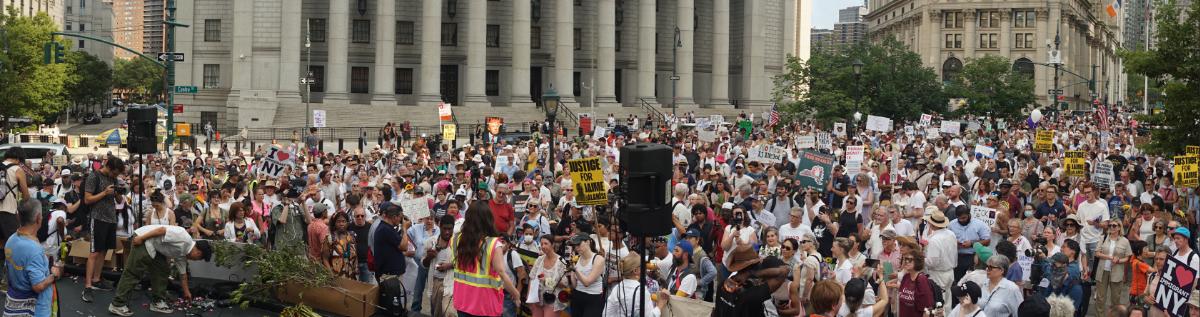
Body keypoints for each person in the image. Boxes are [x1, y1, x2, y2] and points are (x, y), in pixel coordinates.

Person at [107, 225, 213, 316]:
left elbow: (183, 274)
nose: (195, 260)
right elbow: (161, 230)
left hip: (156, 247)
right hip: (144, 238)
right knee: (134, 272)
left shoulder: (182, 254)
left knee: (162, 271)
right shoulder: (183, 236)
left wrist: (186, 292)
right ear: (198, 253)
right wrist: (141, 238)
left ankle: (157, 302)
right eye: (198, 258)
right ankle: (117, 304)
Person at [450, 202, 520, 317]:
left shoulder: (456, 239)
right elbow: (502, 274)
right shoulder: (493, 244)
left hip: (462, 301)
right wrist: (516, 294)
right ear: (488, 219)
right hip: (486, 305)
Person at [4, 199, 64, 317]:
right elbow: (38, 286)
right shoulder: (34, 249)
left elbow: (14, 266)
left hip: (13, 303)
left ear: (18, 216)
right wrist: (54, 274)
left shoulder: (11, 240)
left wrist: (43, 258)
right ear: (38, 218)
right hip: (36, 309)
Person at [82, 156, 125, 303]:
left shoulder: (113, 179)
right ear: (109, 167)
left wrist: (118, 192)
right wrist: (104, 193)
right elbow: (87, 200)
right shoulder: (94, 176)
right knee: (94, 252)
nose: (116, 176)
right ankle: (87, 286)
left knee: (105, 250)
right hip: (97, 218)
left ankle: (96, 279)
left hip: (111, 218)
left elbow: (119, 201)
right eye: (115, 173)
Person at [712, 245, 791, 317]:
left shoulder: (722, 284)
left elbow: (717, 311)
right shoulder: (753, 293)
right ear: (754, 267)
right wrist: (752, 273)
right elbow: (785, 270)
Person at [604, 252, 670, 317]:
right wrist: (660, 305)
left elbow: (606, 314)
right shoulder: (641, 291)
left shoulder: (616, 289)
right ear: (635, 271)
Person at [1091, 219, 1132, 317]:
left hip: (1117, 272)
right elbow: (1096, 253)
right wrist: (1109, 257)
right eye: (1110, 226)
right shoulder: (1103, 237)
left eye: (1114, 225)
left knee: (1115, 299)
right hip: (1102, 271)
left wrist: (1118, 260)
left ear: (1119, 227)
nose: (1111, 228)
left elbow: (1127, 257)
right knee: (1100, 298)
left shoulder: (1125, 241)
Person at [924, 210, 957, 308]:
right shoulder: (951, 234)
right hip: (950, 272)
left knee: (938, 302)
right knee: (947, 301)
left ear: (932, 224)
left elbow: (932, 263)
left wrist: (921, 258)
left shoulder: (934, 239)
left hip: (938, 274)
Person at [568, 233, 605, 317]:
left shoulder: (598, 259)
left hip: (593, 297)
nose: (576, 248)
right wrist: (571, 272)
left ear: (588, 242)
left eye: (579, 244)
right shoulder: (576, 258)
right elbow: (574, 285)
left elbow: (587, 283)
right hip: (577, 295)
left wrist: (575, 269)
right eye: (575, 245)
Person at [528, 235, 566, 317]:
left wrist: (547, 281)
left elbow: (565, 283)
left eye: (546, 243)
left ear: (552, 245)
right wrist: (529, 298)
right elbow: (532, 278)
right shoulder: (539, 259)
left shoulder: (561, 262)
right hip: (537, 298)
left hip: (553, 300)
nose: (543, 246)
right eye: (541, 244)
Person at [898, 249, 935, 317]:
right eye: (905, 259)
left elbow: (927, 307)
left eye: (910, 260)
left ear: (917, 262)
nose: (906, 261)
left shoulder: (921, 279)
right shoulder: (906, 277)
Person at [326, 211, 358, 280]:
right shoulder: (330, 238)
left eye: (344, 221)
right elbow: (325, 258)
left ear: (347, 223)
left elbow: (355, 254)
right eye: (338, 221)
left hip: (351, 276)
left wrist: (356, 268)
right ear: (334, 223)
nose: (341, 224)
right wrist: (330, 274)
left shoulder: (352, 236)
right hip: (336, 277)